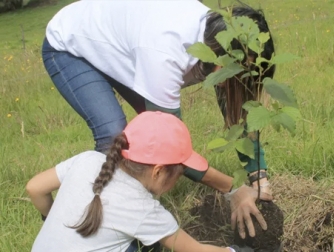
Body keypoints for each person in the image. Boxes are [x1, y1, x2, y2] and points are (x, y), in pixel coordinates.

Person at [41, 0, 275, 239]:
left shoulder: (220, 39)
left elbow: (239, 112)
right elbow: (170, 148)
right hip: (71, 44)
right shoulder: (166, 52)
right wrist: (232, 188)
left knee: (149, 140)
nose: (234, 80)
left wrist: (259, 176)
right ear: (220, 55)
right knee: (113, 134)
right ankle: (95, 227)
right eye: (235, 72)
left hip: (123, 42)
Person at [27, 111, 256, 252]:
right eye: (179, 172)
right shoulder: (143, 210)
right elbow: (196, 250)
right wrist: (237, 250)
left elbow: (34, 188)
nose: (177, 180)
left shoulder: (88, 159)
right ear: (158, 171)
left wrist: (51, 220)